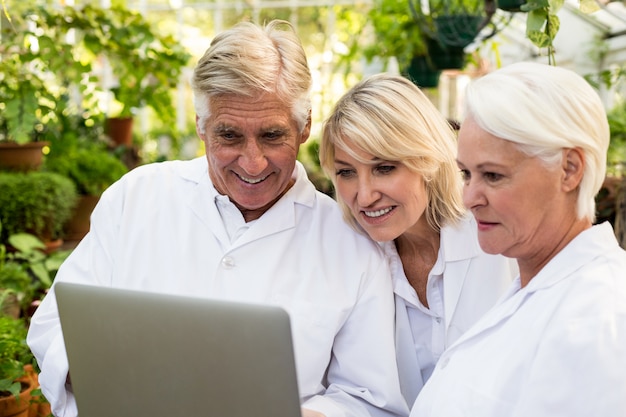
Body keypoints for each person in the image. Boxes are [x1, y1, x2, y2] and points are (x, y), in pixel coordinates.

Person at [27, 20, 407, 417]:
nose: (252, 161)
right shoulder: (136, 197)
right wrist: (124, 383)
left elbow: (369, 398)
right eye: (229, 136)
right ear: (201, 127)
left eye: (272, 136)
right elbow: (56, 328)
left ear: (306, 125)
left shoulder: (353, 242)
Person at [411, 62, 626, 416]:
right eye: (466, 173)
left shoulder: (597, 319)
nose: (469, 198)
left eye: (493, 175)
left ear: (570, 169)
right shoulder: (537, 284)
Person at [318, 73, 518, 411]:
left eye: (383, 168)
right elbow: (359, 394)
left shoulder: (499, 239)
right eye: (346, 172)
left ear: (427, 159)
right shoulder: (348, 254)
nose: (364, 196)